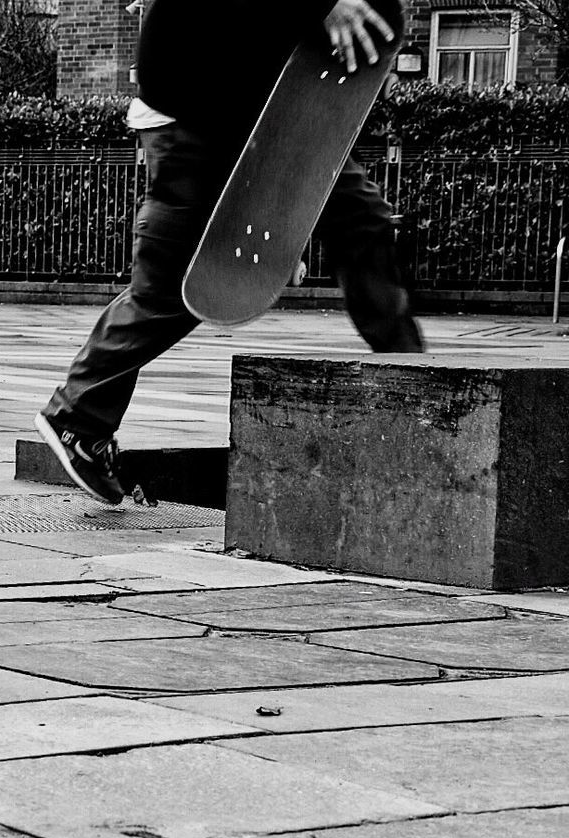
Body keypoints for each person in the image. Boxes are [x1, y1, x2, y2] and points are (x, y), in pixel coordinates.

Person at [35, 0, 425, 505]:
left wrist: (283, 219)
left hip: (273, 107)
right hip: (199, 99)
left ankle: (418, 379)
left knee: (361, 220)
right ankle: (76, 417)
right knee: (177, 284)